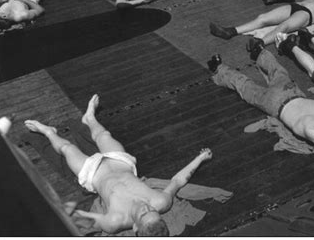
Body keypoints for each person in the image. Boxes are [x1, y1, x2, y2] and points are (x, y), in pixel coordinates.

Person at [24, 94, 213, 236]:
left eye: (143, 213)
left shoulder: (114, 221)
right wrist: (200, 158)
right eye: (152, 211)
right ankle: (89, 119)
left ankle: (48, 132)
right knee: (103, 135)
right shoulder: (161, 202)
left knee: (66, 148)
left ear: (135, 226)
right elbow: (178, 181)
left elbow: (76, 216)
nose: (145, 206)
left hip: (93, 173)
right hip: (121, 163)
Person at [208, 50, 314, 160]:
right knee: (246, 88)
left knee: (278, 72)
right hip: (274, 104)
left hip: (291, 91)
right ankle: (218, 68)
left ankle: (260, 52)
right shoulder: (312, 129)